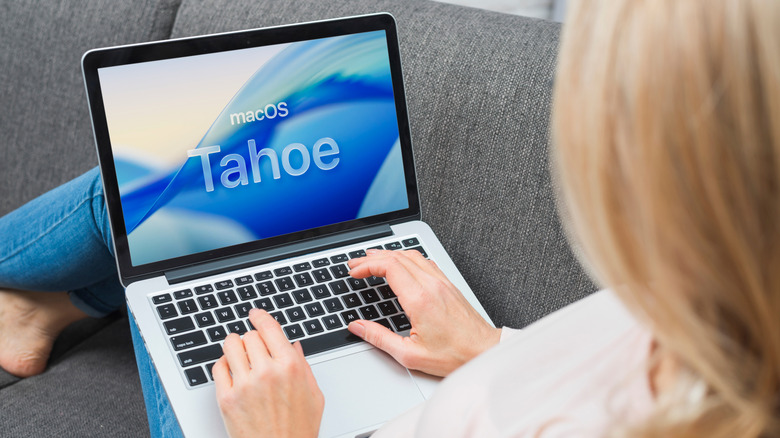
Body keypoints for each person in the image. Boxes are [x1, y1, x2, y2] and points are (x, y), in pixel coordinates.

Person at [1, 0, 779, 436]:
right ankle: (49, 309)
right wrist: (486, 350)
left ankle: (42, 306)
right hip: (421, 380)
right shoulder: (697, 318)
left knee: (149, 200)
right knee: (172, 206)